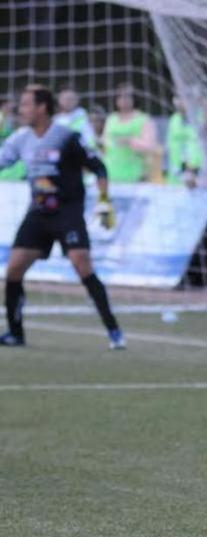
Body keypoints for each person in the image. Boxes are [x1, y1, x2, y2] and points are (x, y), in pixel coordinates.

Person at [0, 84, 125, 349]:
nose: (20, 110)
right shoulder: (21, 138)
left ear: (41, 108)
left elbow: (99, 167)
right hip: (38, 213)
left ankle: (114, 331)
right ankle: (15, 333)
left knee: (82, 264)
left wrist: (104, 200)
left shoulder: (67, 136)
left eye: (25, 105)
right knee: (13, 270)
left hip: (67, 213)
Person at [102, 82, 157, 183]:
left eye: (127, 96)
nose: (124, 100)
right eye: (120, 96)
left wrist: (130, 141)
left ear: (134, 99)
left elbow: (150, 146)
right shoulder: (111, 119)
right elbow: (105, 143)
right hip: (111, 173)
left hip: (136, 174)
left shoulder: (143, 119)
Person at [165, 92, 204, 188]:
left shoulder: (203, 120)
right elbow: (169, 148)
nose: (180, 101)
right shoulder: (174, 119)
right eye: (178, 97)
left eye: (185, 97)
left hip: (198, 180)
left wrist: (194, 170)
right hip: (175, 179)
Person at [54, 85, 98, 149]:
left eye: (71, 99)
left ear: (77, 100)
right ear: (59, 99)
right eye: (65, 99)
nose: (67, 102)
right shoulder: (55, 120)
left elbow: (90, 139)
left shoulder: (83, 116)